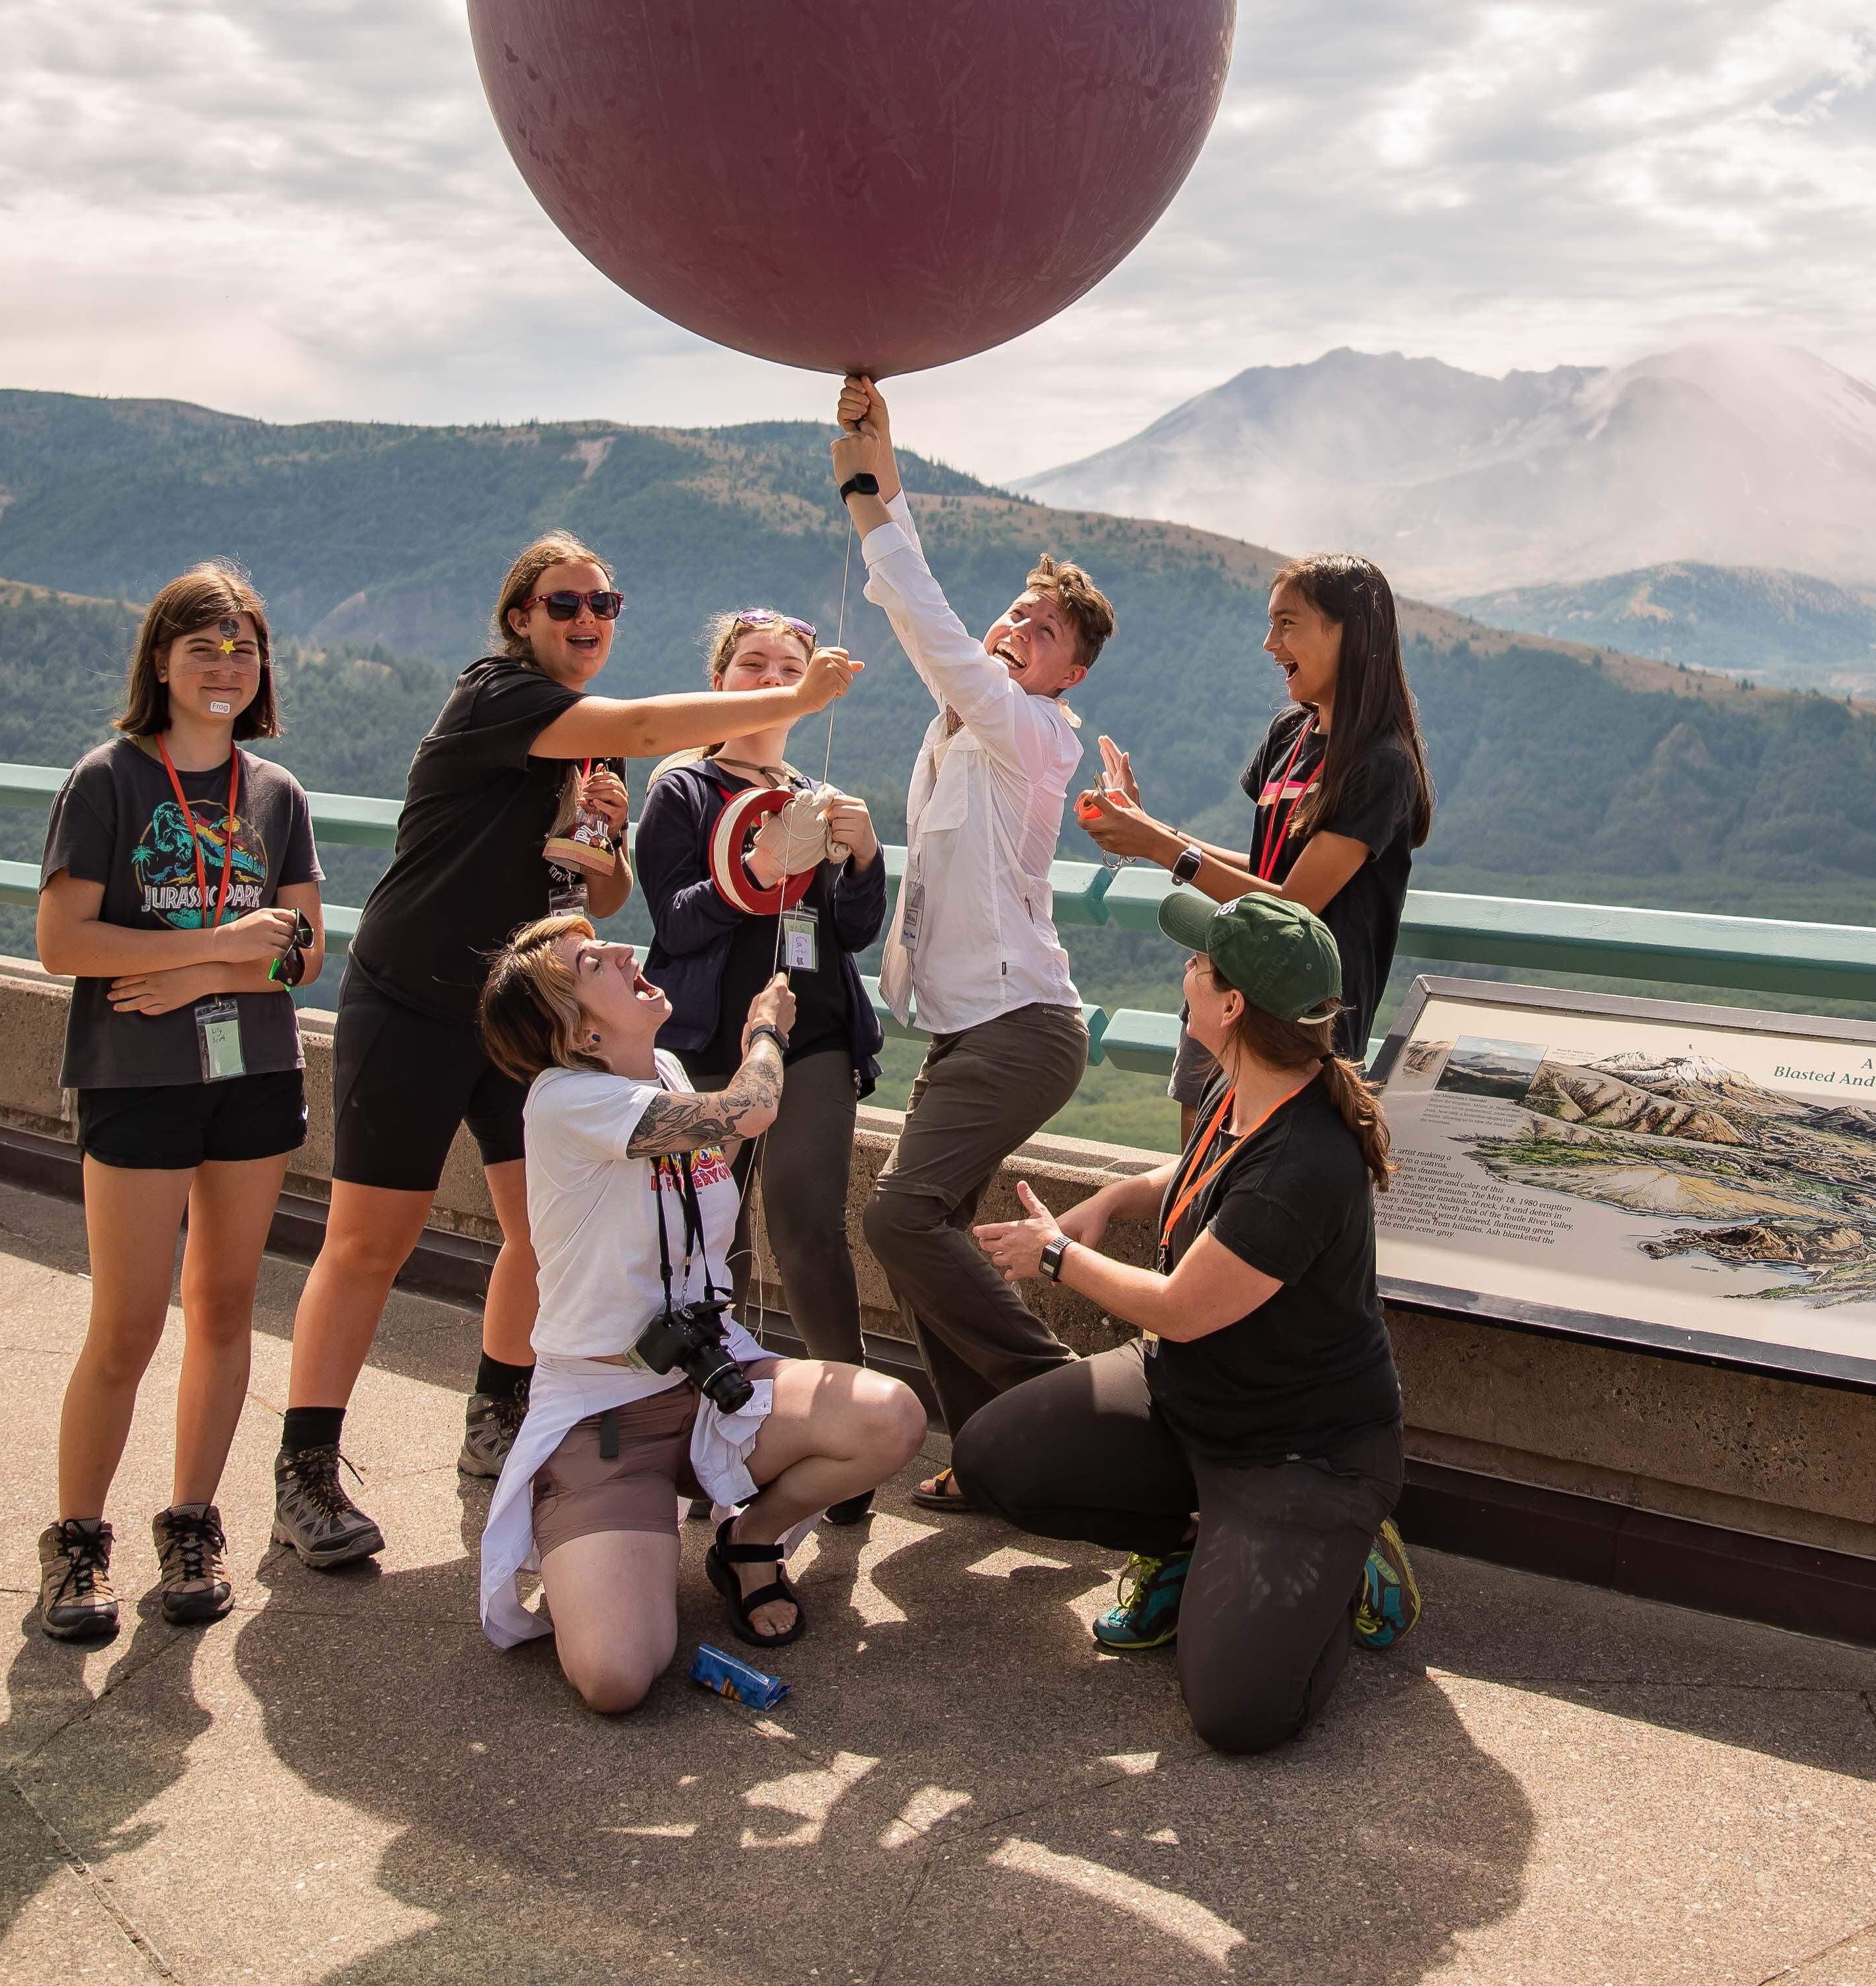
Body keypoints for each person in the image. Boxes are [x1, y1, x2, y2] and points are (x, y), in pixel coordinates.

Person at [271, 533, 859, 1569]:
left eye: (606, 602)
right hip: (410, 1003)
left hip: (525, 1022)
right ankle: (305, 1470)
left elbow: (596, 899)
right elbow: (640, 720)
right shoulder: (496, 692)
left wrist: (605, 843)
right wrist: (792, 699)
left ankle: (495, 1420)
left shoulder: (585, 749)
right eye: (563, 603)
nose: (587, 619)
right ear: (519, 618)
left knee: (539, 1237)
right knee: (368, 1242)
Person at [955, 888, 1413, 1755]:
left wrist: (1056, 1255)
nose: (1186, 973)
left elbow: (1181, 1309)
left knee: (1242, 1715)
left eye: (1200, 965)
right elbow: (1196, 1176)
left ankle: (1344, 1563)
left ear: (1235, 1005)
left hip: (1301, 1454)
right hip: (1188, 1400)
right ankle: (1191, 1544)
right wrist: (1112, 1201)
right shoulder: (1245, 1087)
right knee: (995, 1459)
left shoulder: (1306, 1160)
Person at [470, 915, 925, 1709]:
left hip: (710, 1379)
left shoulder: (670, 1073)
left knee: (890, 1417)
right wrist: (763, 1029)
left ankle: (748, 1539)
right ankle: (579, 1517)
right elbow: (750, 1109)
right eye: (590, 961)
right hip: (603, 1414)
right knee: (616, 1676)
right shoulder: (563, 1099)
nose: (620, 949)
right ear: (577, 1030)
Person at [831, 377, 1117, 1510]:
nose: (1013, 634)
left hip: (1020, 1028)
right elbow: (947, 648)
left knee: (899, 1215)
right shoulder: (962, 728)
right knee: (926, 1231)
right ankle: (999, 1458)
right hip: (967, 1031)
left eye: (1038, 633)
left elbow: (928, 623)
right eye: (1015, 615)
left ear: (1068, 676)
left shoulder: (1025, 730)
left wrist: (874, 493)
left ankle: (1077, 1413)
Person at [31, 563, 327, 1641]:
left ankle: (193, 1520)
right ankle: (76, 1540)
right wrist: (220, 944)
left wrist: (206, 976)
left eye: (243, 647)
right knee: (125, 1321)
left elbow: (304, 958)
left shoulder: (275, 794)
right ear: (159, 661)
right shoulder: (107, 780)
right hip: (136, 1078)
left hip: (253, 1073)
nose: (225, 665)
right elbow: (64, 944)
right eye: (202, 645)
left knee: (225, 1304)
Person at [635, 611, 891, 1417]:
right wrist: (755, 866)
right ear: (718, 683)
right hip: (708, 1040)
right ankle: (719, 1415)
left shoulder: (819, 796)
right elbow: (674, 923)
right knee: (713, 1233)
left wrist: (866, 856)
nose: (773, 676)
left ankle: (850, 1415)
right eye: (752, 663)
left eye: (790, 664)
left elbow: (851, 931)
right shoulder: (682, 789)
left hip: (812, 1036)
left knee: (805, 1216)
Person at [1074, 552, 1433, 1104]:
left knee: (1263, 1176)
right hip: (1226, 984)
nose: (1270, 644)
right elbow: (1265, 872)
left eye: (1287, 624)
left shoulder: (1380, 765)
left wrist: (1162, 847)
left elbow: (1294, 903)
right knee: (1199, 1176)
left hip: (1302, 1020)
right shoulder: (1290, 733)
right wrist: (1149, 829)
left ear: (1350, 635)